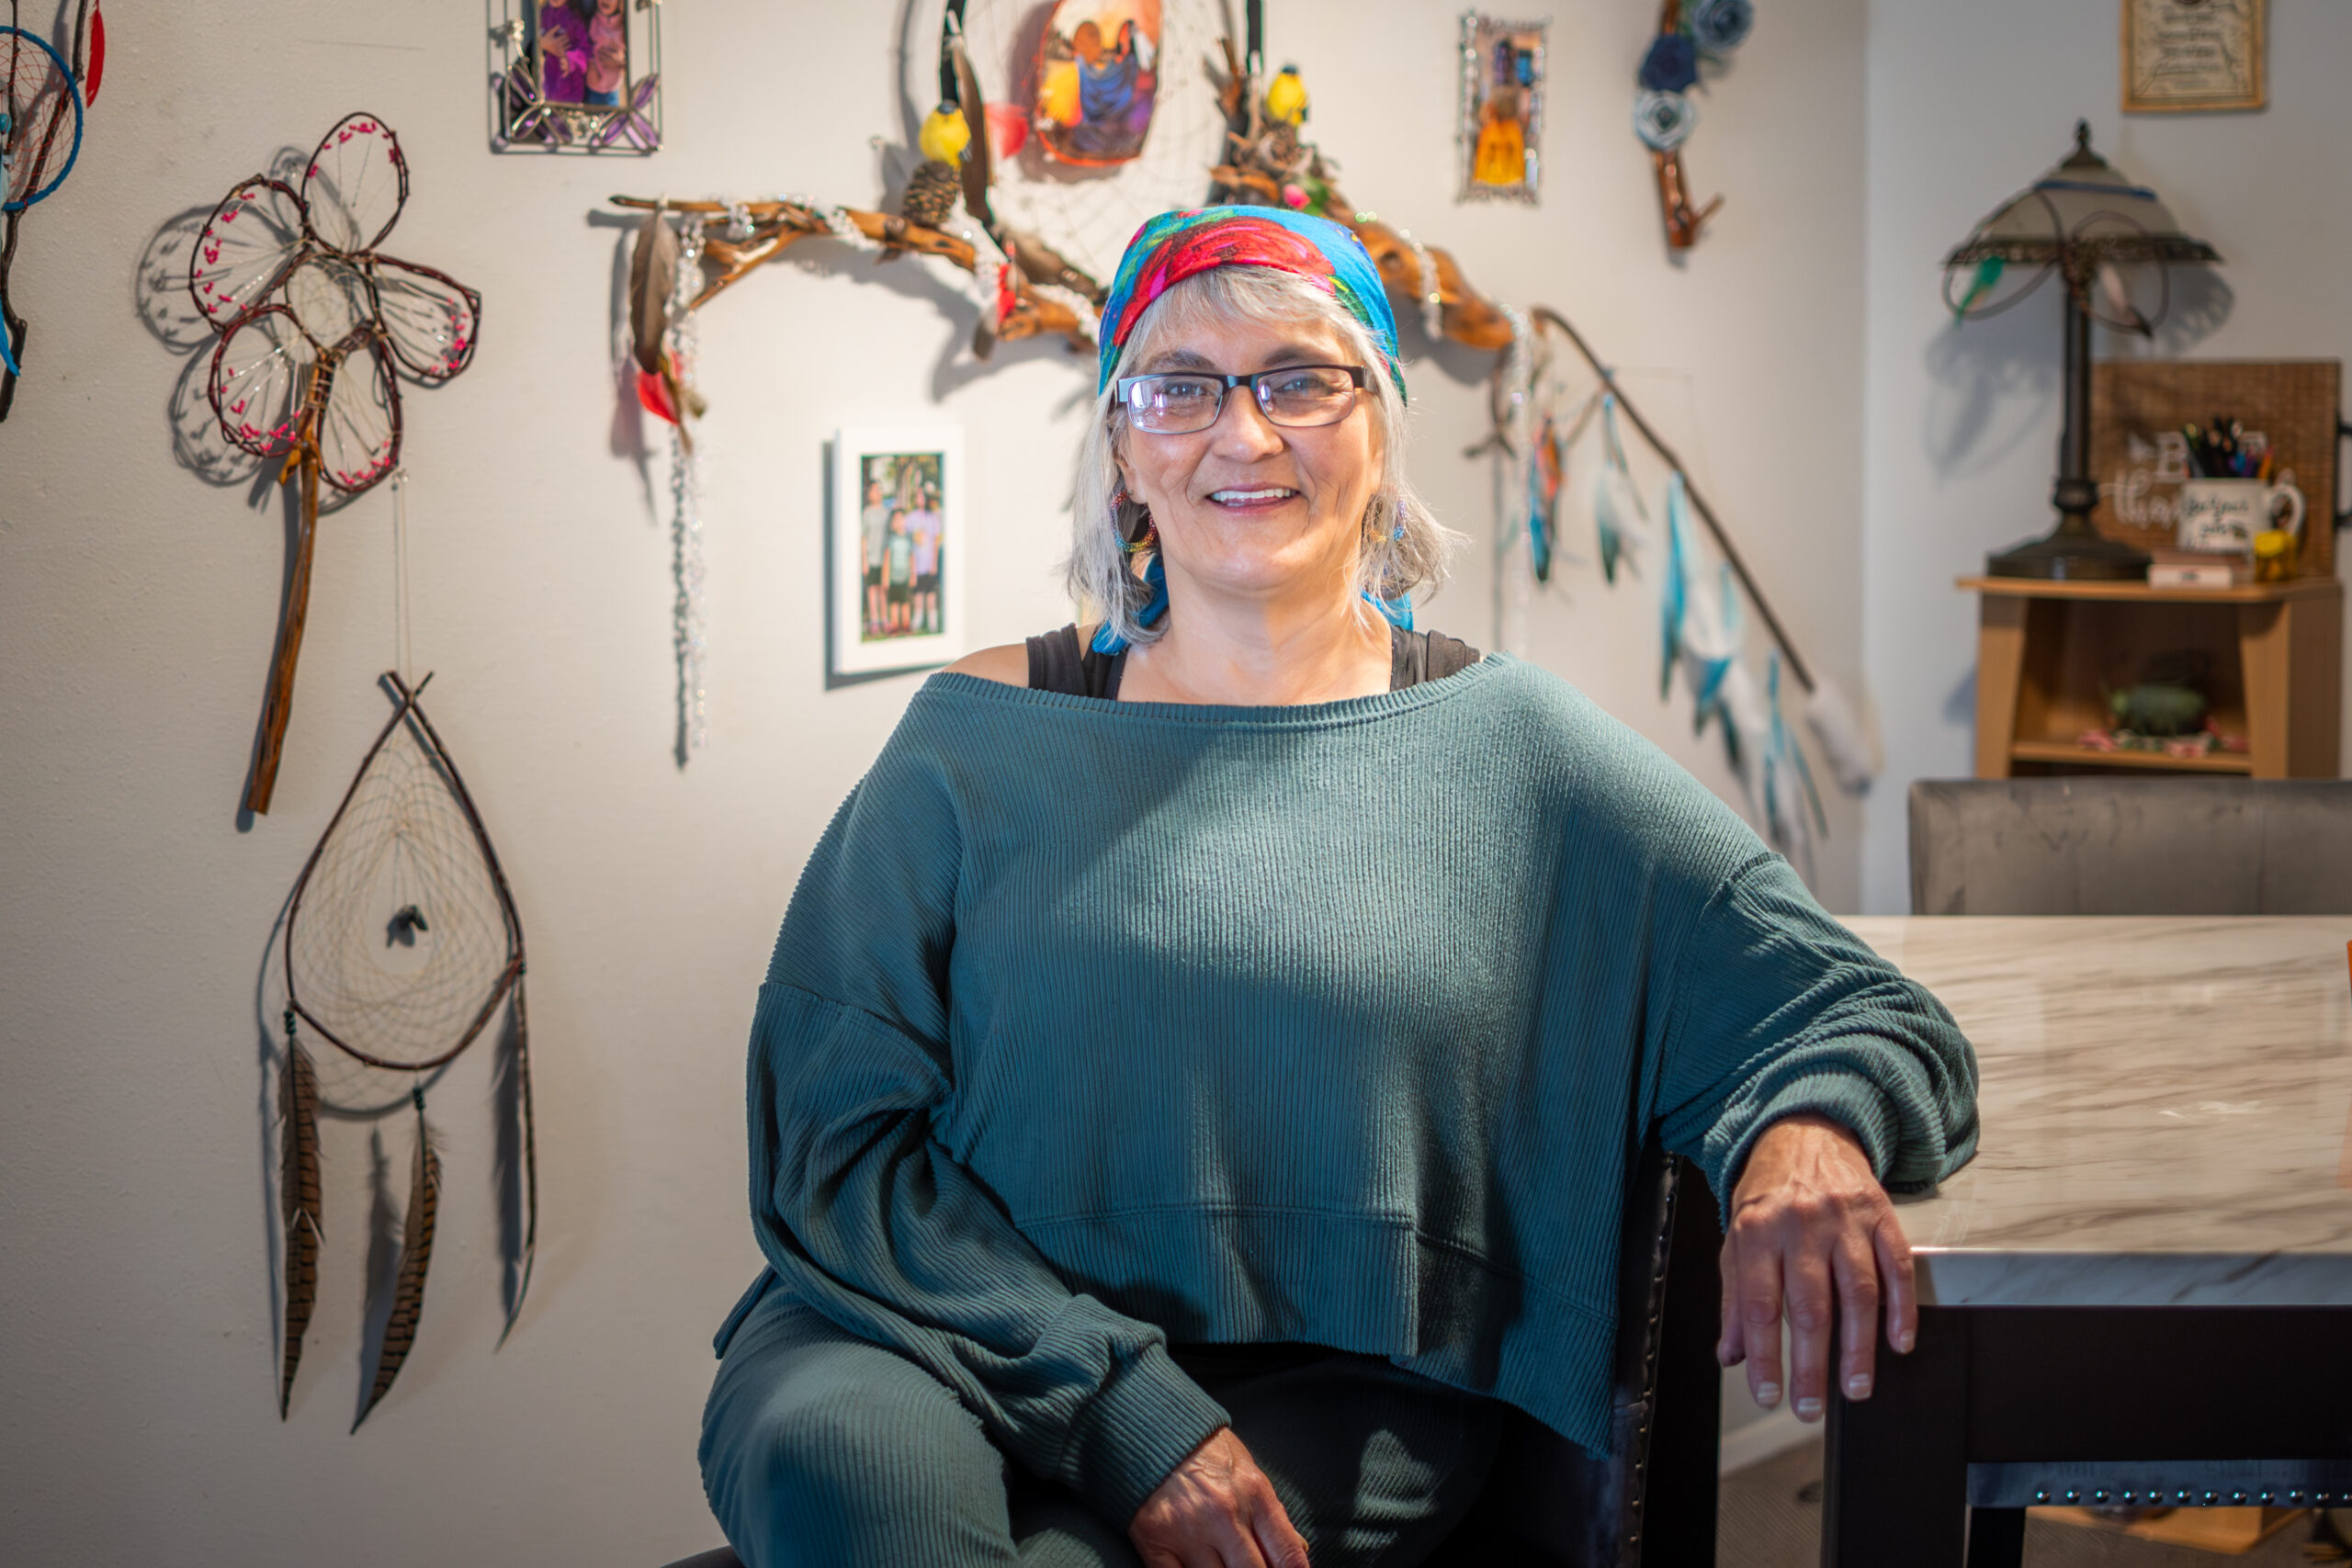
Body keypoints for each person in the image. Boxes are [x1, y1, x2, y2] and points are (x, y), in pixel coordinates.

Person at [700, 207, 1978, 1568]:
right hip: (934, 1322)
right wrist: (1124, 1405)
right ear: (1125, 451)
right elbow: (831, 1134)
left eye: (1303, 379)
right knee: (841, 1463)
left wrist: (1807, 1131)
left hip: (1334, 1394)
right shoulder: (971, 737)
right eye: (1181, 387)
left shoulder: (1517, 750)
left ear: (1379, 431)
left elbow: (1846, 1005)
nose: (1243, 436)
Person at [907, 484, 944, 636]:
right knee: (918, 593)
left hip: (929, 563)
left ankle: (932, 621)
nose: (920, 498)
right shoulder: (910, 518)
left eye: (923, 496)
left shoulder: (933, 518)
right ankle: (918, 619)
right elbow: (909, 542)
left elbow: (935, 542)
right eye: (918, 495)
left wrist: (934, 563)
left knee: (930, 593)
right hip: (917, 563)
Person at [859, 476, 891, 637]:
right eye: (874, 489)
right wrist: (864, 560)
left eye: (879, 489)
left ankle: (885, 620)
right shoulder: (866, 513)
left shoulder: (886, 513)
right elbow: (863, 537)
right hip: (871, 558)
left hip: (883, 558)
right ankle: (874, 621)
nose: (877, 492)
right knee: (872, 590)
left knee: (882, 590)